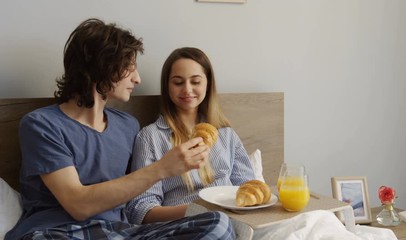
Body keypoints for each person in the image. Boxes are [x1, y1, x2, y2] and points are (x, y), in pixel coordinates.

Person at [5, 19, 235, 240]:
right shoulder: (41, 124)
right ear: (101, 67)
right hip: (59, 232)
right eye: (129, 68)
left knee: (217, 224)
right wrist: (162, 168)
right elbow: (78, 204)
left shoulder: (127, 125)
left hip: (119, 232)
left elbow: (136, 201)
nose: (138, 79)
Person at [126, 47, 256, 224]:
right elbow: (140, 210)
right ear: (167, 86)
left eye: (195, 81)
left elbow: (249, 190)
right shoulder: (150, 138)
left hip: (232, 223)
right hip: (183, 227)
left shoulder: (226, 135)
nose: (187, 89)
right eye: (178, 82)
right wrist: (198, 210)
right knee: (217, 224)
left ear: (208, 84)